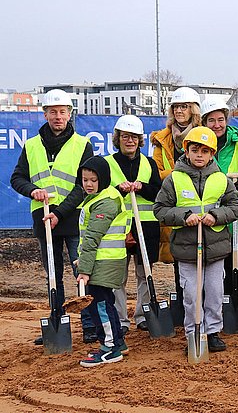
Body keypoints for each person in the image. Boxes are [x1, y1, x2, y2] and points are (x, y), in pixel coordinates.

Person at [10, 89, 97, 345]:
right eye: (53, 112)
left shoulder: (82, 144)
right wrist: (32, 191)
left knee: (81, 271)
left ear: (69, 114)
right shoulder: (32, 146)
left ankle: (90, 324)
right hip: (43, 219)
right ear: (45, 114)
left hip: (72, 217)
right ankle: (56, 320)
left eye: (62, 112)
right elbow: (17, 178)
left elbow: (85, 185)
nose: (58, 117)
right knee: (52, 274)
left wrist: (60, 212)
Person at [153, 127, 238, 353]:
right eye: (195, 150)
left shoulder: (221, 179)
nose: (200, 155)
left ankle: (212, 332)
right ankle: (193, 332)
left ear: (212, 154)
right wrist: (184, 217)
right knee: (192, 294)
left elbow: (236, 205)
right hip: (186, 248)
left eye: (205, 151)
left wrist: (216, 216)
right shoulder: (174, 179)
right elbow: (160, 209)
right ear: (187, 151)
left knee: (214, 291)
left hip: (215, 248)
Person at [150, 86, 203, 320]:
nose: (180, 111)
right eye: (176, 107)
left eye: (185, 106)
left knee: (201, 256)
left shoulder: (203, 134)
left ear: (193, 110)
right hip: (174, 201)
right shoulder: (162, 139)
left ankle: (200, 306)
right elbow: (158, 172)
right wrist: (180, 173)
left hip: (200, 200)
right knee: (178, 256)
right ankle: (184, 307)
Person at [106, 115, 162, 334]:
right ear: (118, 139)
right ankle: (120, 319)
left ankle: (143, 315)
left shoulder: (149, 164)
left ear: (140, 140)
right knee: (118, 276)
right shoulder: (107, 164)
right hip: (117, 227)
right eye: (125, 136)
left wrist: (142, 187)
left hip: (146, 227)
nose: (130, 141)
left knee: (144, 273)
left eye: (134, 137)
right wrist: (117, 188)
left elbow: (158, 192)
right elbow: (98, 192)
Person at [201, 98, 238, 301]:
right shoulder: (201, 146)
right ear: (204, 122)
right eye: (211, 120)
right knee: (217, 259)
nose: (217, 125)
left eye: (220, 119)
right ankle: (219, 300)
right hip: (212, 211)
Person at [75, 156, 130, 367]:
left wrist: (85, 269)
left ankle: (109, 348)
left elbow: (92, 238)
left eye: (93, 180)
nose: (88, 184)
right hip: (104, 261)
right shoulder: (104, 196)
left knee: (99, 306)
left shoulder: (105, 202)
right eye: (85, 179)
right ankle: (118, 342)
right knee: (106, 303)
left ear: (104, 179)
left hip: (103, 262)